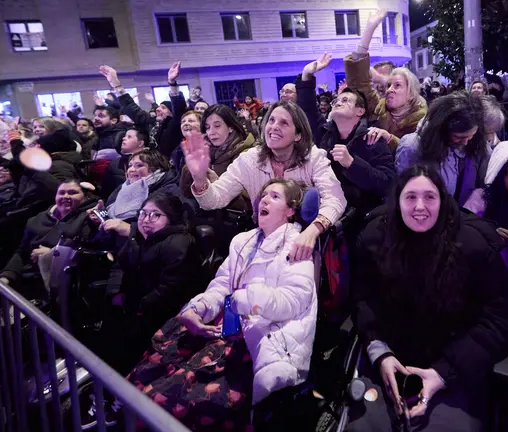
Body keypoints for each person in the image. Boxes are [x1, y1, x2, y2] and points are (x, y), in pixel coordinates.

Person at [114, 179, 317, 430]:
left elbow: (293, 301)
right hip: (224, 326)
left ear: (290, 210)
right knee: (147, 370)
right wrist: (199, 308)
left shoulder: (297, 246)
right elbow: (221, 285)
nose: (263, 199)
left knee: (168, 400)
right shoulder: (243, 240)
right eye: (263, 195)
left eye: (274, 197)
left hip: (261, 338)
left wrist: (244, 300)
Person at [347, 165, 508, 431]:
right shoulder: (375, 237)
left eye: (430, 197)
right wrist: (381, 354)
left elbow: (495, 324)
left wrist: (442, 374)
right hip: (392, 362)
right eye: (411, 197)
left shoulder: (474, 245)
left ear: (442, 200)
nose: (420, 206)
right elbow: (364, 300)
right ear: (398, 200)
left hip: (454, 365)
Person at [183, 101, 347, 262]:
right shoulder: (249, 159)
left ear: (298, 135)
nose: (274, 126)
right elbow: (214, 200)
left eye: (284, 123)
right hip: (262, 238)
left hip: (302, 239)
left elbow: (336, 199)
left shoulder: (314, 158)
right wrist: (199, 179)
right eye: (271, 120)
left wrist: (312, 231)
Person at [91, 193, 204, 376]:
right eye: (143, 213)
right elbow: (120, 265)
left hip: (159, 314)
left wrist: (137, 307)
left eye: (155, 215)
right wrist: (115, 293)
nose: (146, 220)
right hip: (132, 304)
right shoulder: (138, 236)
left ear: (171, 217)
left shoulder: (178, 244)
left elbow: (169, 290)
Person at [298, 53, 396, 216]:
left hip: (360, 217)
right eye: (336, 101)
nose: (338, 103)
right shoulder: (324, 134)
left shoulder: (372, 138)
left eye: (345, 100)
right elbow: (307, 110)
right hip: (326, 211)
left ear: (360, 111)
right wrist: (307, 75)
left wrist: (352, 163)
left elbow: (389, 184)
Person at [0, 179, 97, 299]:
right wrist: (6, 276)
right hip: (29, 278)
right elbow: (22, 252)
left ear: (85, 197)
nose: (66, 196)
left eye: (72, 193)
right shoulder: (37, 219)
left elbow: (85, 250)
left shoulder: (89, 218)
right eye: (61, 193)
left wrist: (52, 254)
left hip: (64, 285)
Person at [344, 9, 427, 151]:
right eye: (388, 85)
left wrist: (389, 138)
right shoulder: (378, 107)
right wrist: (369, 30)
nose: (389, 89)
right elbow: (358, 82)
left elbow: (420, 152)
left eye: (397, 85)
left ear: (411, 93)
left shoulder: (423, 120)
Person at [396, 92, 489, 207]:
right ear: (441, 129)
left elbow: (486, 183)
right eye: (459, 137)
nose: (465, 142)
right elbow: (405, 193)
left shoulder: (477, 143)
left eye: (471, 136)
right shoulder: (412, 146)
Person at [178, 104, 256, 204]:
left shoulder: (246, 154)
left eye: (217, 126)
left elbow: (252, 202)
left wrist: (218, 184)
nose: (211, 132)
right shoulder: (205, 150)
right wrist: (192, 172)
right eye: (207, 127)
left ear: (230, 127)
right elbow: (186, 194)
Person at [100, 63, 182, 158]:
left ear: (172, 112)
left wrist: (172, 83)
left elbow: (178, 107)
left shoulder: (175, 125)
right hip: (151, 164)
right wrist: (116, 84)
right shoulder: (151, 122)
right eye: (159, 106)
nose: (158, 109)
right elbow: (130, 107)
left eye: (164, 108)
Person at [93, 149, 184, 228]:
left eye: (139, 165)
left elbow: (166, 226)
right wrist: (102, 215)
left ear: (156, 169)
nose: (131, 170)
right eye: (130, 165)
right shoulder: (123, 187)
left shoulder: (168, 191)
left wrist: (130, 229)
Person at [100, 127, 149, 199]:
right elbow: (106, 193)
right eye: (125, 136)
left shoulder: (152, 161)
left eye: (129, 137)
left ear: (140, 143)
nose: (123, 138)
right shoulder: (114, 164)